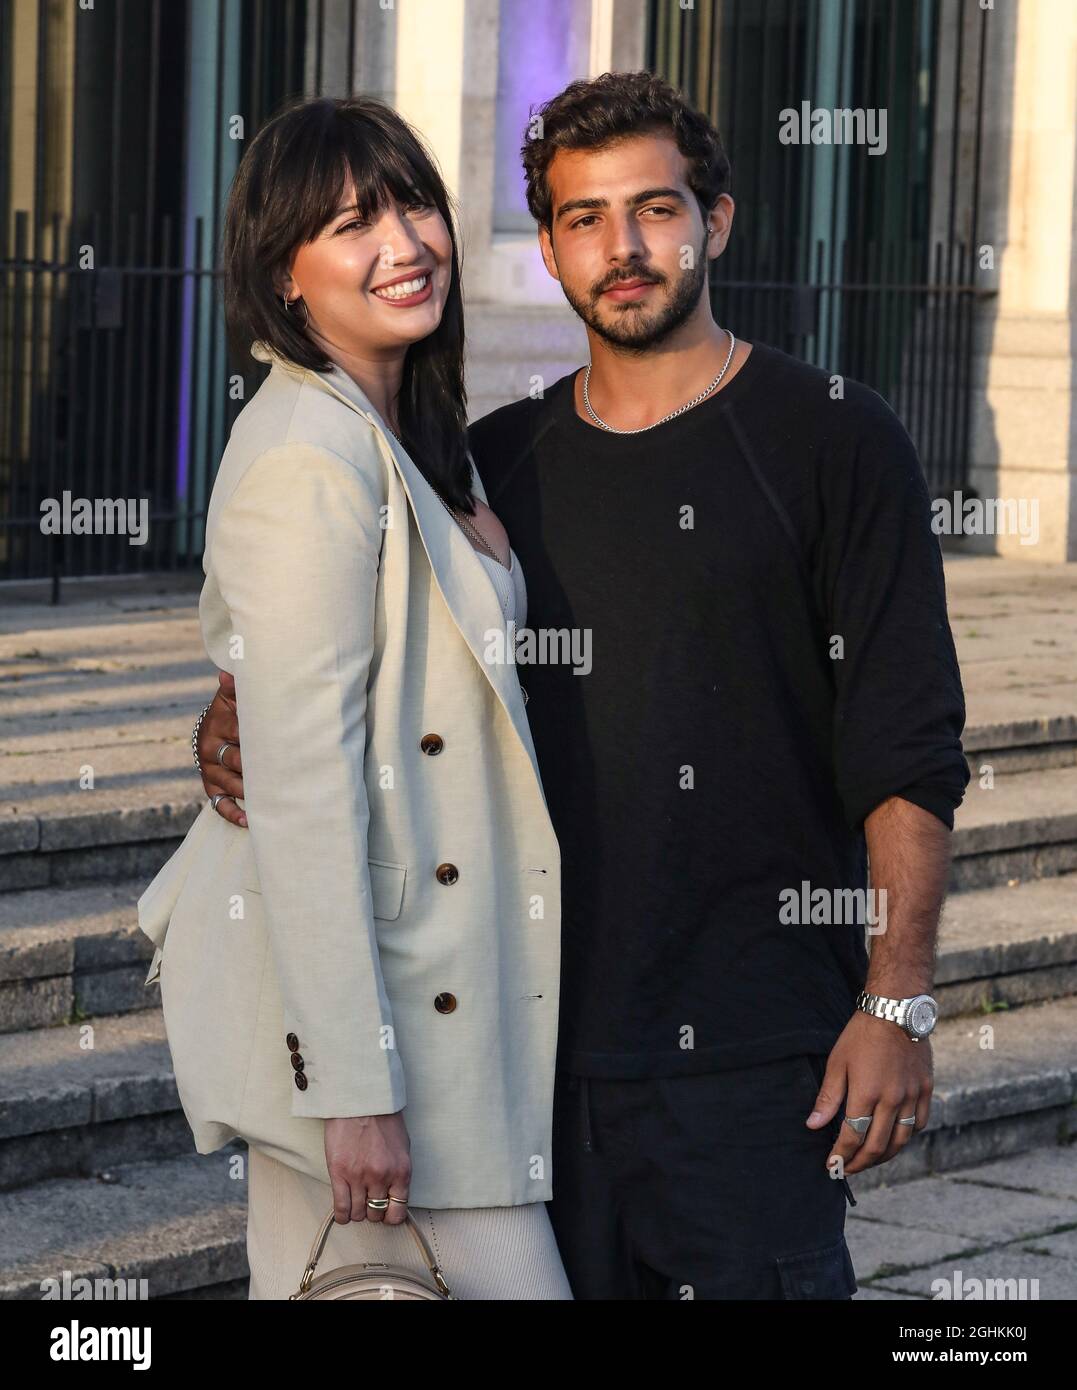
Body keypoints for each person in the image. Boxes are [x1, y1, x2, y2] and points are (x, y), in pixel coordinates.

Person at [196, 73, 970, 1300]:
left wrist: (901, 999)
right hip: (530, 1058)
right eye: (582, 219)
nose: (623, 248)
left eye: (654, 210)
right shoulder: (494, 462)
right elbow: (360, 678)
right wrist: (240, 709)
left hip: (755, 1062)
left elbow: (910, 750)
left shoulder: (838, 438)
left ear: (715, 222)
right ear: (547, 247)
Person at [137, 94, 571, 1301]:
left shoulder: (410, 434)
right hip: (378, 1021)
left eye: (415, 204)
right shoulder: (305, 457)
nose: (406, 244)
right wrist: (356, 1088)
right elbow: (309, 789)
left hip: (441, 993)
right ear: (286, 277)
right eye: (351, 224)